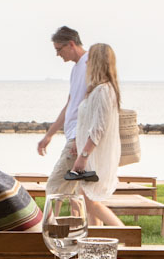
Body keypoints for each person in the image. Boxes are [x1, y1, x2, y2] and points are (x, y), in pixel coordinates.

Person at [68, 43, 124, 226]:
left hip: (94, 157)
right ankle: (97, 246)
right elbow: (87, 124)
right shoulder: (96, 89)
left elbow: (98, 128)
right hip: (90, 155)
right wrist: (78, 143)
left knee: (90, 203)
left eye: (90, 59)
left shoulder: (103, 91)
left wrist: (84, 156)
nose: (86, 63)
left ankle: (128, 237)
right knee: (90, 205)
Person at [36, 26, 89, 195]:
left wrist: (78, 139)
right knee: (77, 194)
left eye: (59, 49)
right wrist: (49, 135)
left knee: (54, 188)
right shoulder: (76, 69)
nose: (58, 54)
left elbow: (91, 107)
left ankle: (49, 222)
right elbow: (70, 105)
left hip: (78, 139)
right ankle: (76, 222)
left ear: (71, 44)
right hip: (75, 137)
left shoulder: (90, 64)